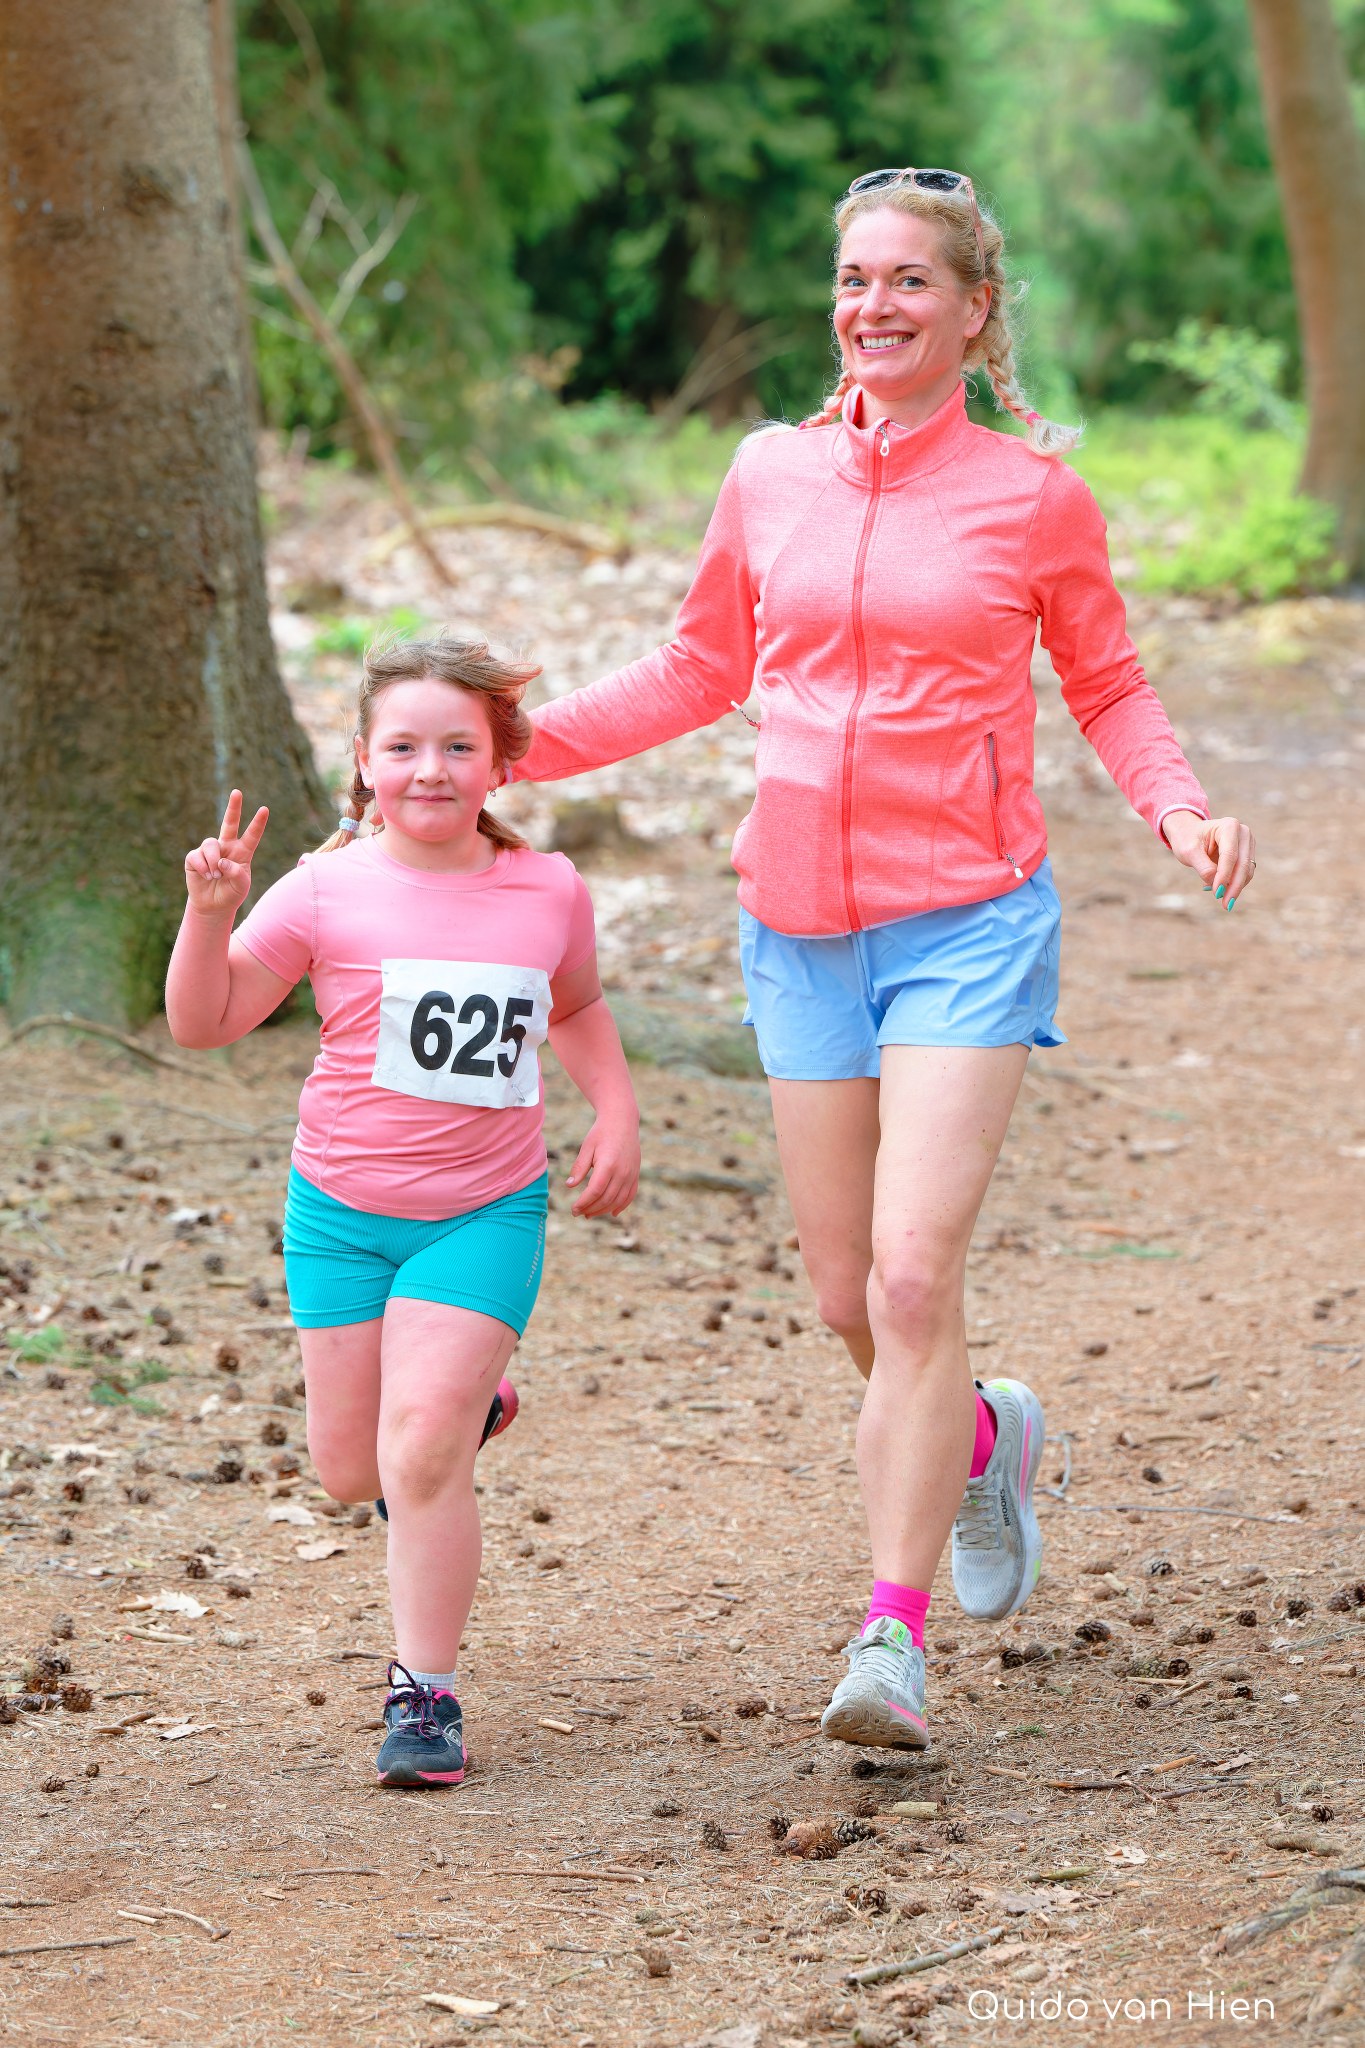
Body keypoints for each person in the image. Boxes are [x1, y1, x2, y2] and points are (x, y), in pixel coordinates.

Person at [506, 168, 1256, 1749]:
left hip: (968, 920)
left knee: (916, 1276)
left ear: (974, 310)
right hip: (794, 928)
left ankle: (890, 1641)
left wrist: (1177, 808)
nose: (875, 305)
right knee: (847, 1291)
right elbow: (700, 663)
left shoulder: (1032, 498)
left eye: (911, 280)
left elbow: (1107, 684)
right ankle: (980, 1439)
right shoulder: (768, 472)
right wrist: (519, 744)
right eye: (855, 279)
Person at [166, 636, 640, 1786]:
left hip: (484, 1212)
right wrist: (208, 912)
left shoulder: (549, 886)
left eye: (458, 746)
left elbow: (576, 1004)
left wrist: (617, 1107)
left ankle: (424, 1694)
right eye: (405, 745)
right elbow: (204, 1021)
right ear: (366, 761)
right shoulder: (324, 887)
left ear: (501, 761)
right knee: (350, 1471)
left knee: (418, 1448)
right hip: (339, 1213)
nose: (431, 768)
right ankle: (466, 1408)